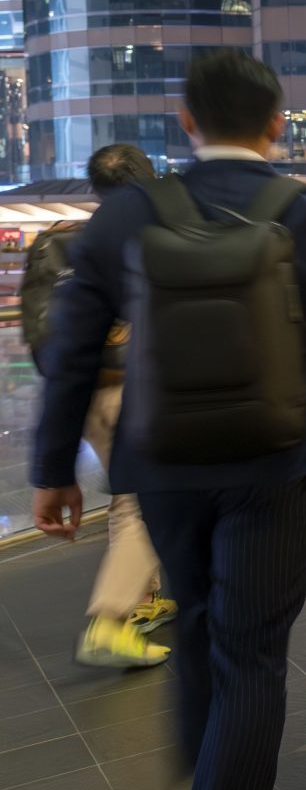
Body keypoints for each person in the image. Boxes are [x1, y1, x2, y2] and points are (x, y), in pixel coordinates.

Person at [32, 50, 306, 790]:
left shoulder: (123, 216)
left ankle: (209, 763)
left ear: (185, 123)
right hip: (280, 464)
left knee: (196, 618)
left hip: (162, 465)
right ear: (277, 123)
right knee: (252, 651)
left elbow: (71, 347)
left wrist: (50, 471)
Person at [23, 144, 175, 668]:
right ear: (149, 179)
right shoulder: (145, 234)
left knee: (129, 492)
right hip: (127, 385)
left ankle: (143, 598)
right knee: (146, 497)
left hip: (80, 390)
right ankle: (111, 619)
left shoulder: (64, 242)